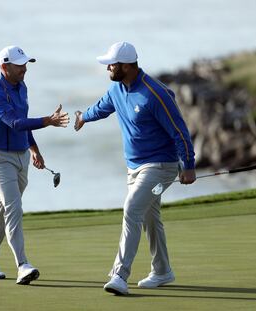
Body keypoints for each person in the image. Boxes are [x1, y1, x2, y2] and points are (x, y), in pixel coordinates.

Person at [74, 42, 196, 295]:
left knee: (131, 209)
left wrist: (189, 165)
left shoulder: (156, 93)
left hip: (161, 165)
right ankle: (162, 271)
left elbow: (179, 131)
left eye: (112, 63)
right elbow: (101, 107)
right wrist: (83, 117)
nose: (107, 67)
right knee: (151, 218)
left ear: (127, 65)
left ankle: (119, 275)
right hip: (134, 167)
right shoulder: (117, 88)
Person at [0, 45, 70, 285]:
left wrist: (34, 149)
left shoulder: (22, 88)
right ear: (4, 67)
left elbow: (24, 126)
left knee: (6, 208)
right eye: (19, 65)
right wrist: (48, 121)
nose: (24, 69)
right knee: (14, 207)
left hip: (21, 158)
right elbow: (16, 122)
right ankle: (23, 265)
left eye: (25, 64)